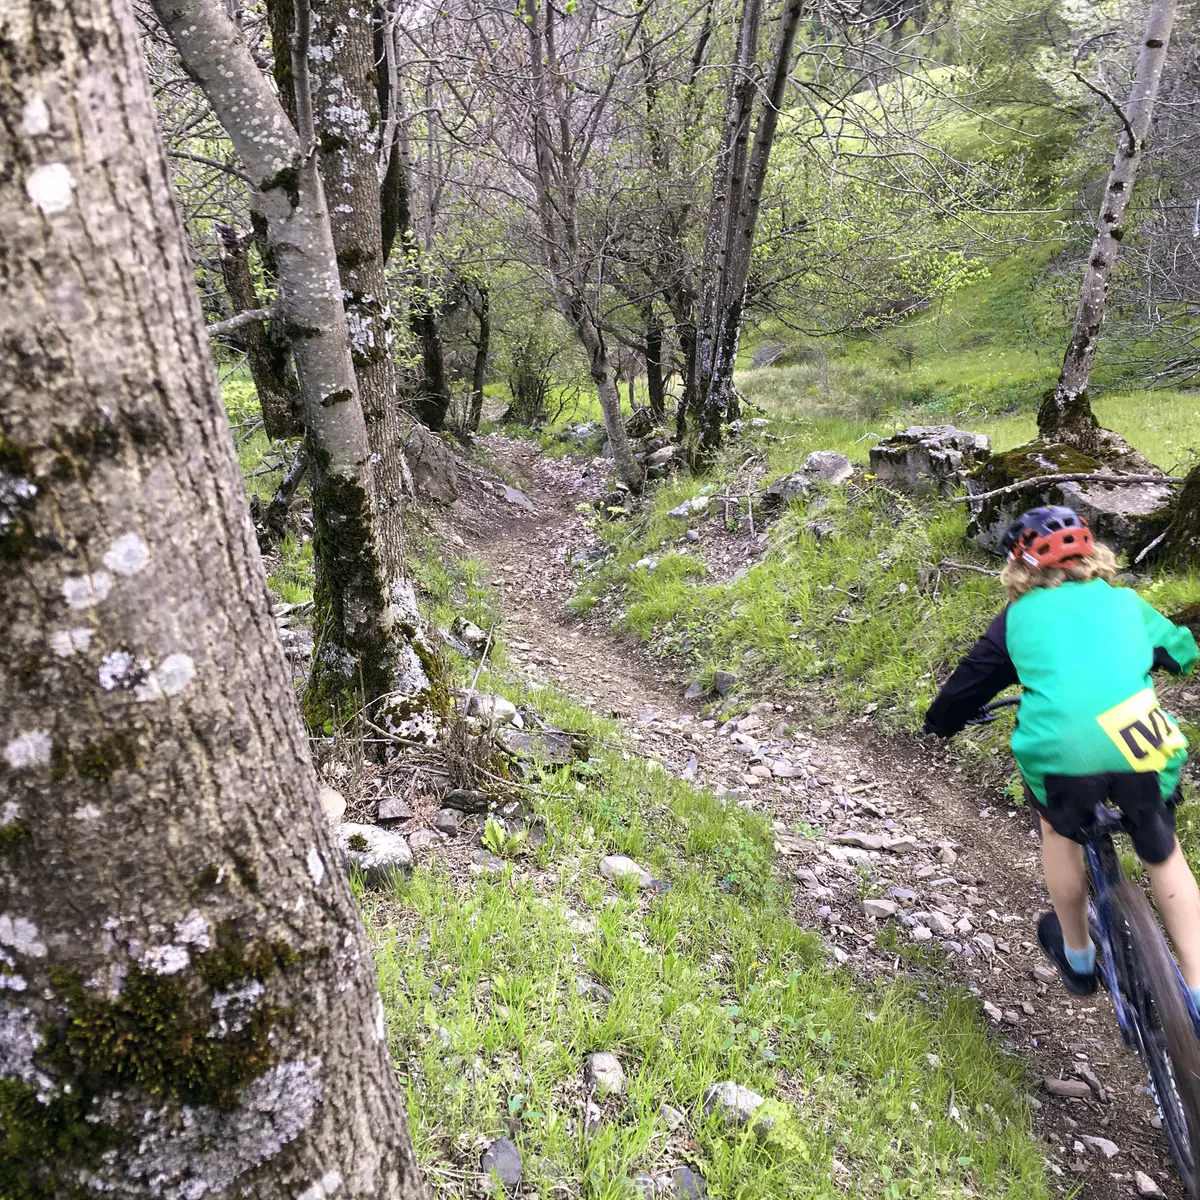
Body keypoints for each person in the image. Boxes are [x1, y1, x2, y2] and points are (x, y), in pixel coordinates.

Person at [924, 505, 1200, 1001]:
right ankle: (1199, 988)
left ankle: (1078, 956)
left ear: (1019, 566)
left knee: (1057, 828)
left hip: (1062, 755)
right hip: (1140, 741)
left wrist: (941, 723)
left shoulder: (1016, 620)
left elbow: (968, 684)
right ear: (1093, 554)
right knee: (1163, 849)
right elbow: (1182, 653)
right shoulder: (1126, 603)